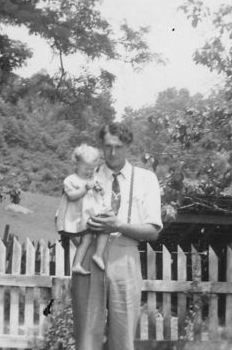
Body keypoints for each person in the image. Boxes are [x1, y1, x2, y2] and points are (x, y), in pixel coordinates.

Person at [70, 123, 162, 350]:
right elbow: (65, 220)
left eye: (118, 147)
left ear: (128, 146)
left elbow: (153, 230)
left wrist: (119, 225)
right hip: (91, 257)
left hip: (126, 255)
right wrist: (84, 238)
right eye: (108, 146)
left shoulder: (146, 179)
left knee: (123, 335)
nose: (112, 152)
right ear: (101, 146)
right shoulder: (87, 176)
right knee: (87, 335)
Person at [56, 144, 111, 275]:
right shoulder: (71, 180)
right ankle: (77, 264)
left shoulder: (94, 179)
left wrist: (100, 190)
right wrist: (85, 188)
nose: (90, 172)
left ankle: (97, 254)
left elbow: (100, 196)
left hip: (93, 214)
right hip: (80, 217)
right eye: (86, 168)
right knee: (86, 239)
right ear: (76, 164)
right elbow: (71, 196)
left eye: (93, 169)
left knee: (105, 229)